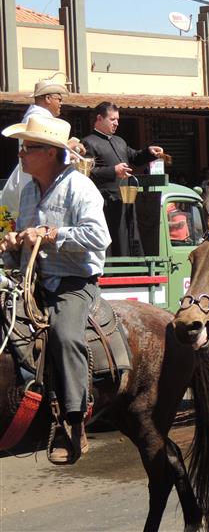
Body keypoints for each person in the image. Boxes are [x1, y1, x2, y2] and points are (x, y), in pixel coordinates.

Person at [0, 116, 111, 464]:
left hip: (72, 283)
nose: (21, 154)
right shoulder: (28, 191)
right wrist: (13, 243)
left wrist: (50, 234)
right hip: (31, 282)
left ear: (49, 152)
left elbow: (99, 237)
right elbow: (27, 242)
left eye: (27, 148)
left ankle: (73, 421)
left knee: (65, 335)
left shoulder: (80, 188)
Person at [81, 102, 163, 257]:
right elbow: (87, 172)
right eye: (112, 119)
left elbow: (135, 157)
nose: (116, 123)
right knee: (113, 242)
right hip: (105, 203)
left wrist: (149, 152)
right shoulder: (88, 142)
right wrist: (113, 171)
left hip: (125, 202)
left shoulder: (119, 141)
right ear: (99, 118)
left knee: (128, 241)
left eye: (117, 119)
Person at [1, 79, 69, 219]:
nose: (61, 103)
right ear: (48, 98)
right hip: (35, 181)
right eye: (59, 99)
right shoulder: (37, 119)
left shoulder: (36, 117)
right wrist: (68, 148)